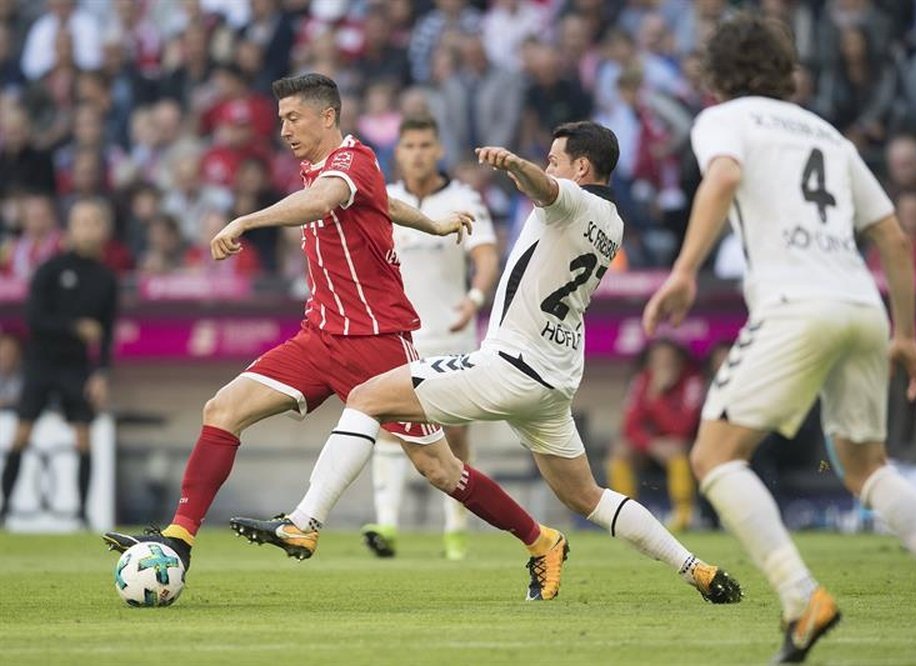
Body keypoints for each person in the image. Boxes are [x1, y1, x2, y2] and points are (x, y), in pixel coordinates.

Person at [233, 121, 744, 606]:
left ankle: (306, 520)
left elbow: (547, 190)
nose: (550, 166)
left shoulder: (575, 201)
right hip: (553, 380)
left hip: (511, 366)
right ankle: (695, 568)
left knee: (367, 396)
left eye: (555, 159)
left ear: (582, 168)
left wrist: (514, 164)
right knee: (584, 496)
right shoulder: (613, 221)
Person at [102, 74, 569, 602]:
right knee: (222, 409)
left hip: (378, 345)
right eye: (280, 119)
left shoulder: (352, 160)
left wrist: (245, 220)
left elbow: (327, 200)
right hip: (319, 336)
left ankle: (542, 541)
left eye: (293, 118)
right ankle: (180, 538)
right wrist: (433, 225)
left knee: (441, 468)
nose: (283, 129)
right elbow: (382, 205)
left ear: (328, 116)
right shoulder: (326, 170)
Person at [640, 14, 916, 663]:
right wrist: (906, 334)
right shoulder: (828, 133)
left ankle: (802, 598)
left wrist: (684, 270)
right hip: (863, 305)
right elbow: (894, 238)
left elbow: (720, 179)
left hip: (796, 304)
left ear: (716, 74)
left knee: (715, 458)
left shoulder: (725, 119)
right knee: (867, 466)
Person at [362, 114, 499, 561]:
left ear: (438, 150)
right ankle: (385, 526)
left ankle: (455, 531)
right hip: (400, 335)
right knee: (388, 426)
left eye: (425, 145)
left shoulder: (464, 198)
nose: (418, 153)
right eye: (410, 146)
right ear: (397, 152)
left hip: (452, 333)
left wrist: (475, 298)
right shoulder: (385, 198)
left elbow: (486, 256)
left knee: (454, 437)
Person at [1, 197, 117, 528]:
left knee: (83, 437)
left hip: (77, 367)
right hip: (41, 363)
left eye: (95, 221)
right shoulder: (51, 270)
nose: (89, 229)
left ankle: (82, 515)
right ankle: (5, 509)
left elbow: (107, 332)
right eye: (82, 222)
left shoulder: (106, 278)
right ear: (71, 228)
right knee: (21, 435)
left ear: (104, 229)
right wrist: (75, 326)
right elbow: (34, 318)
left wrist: (101, 373)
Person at [606, 339, 702, 532]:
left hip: (683, 446)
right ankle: (626, 516)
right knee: (620, 449)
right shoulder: (641, 381)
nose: (663, 365)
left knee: (677, 447)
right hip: (650, 447)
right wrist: (651, 444)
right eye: (657, 360)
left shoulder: (692, 381)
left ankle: (684, 515)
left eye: (668, 360)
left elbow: (684, 427)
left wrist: (657, 397)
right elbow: (630, 425)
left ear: (680, 361)